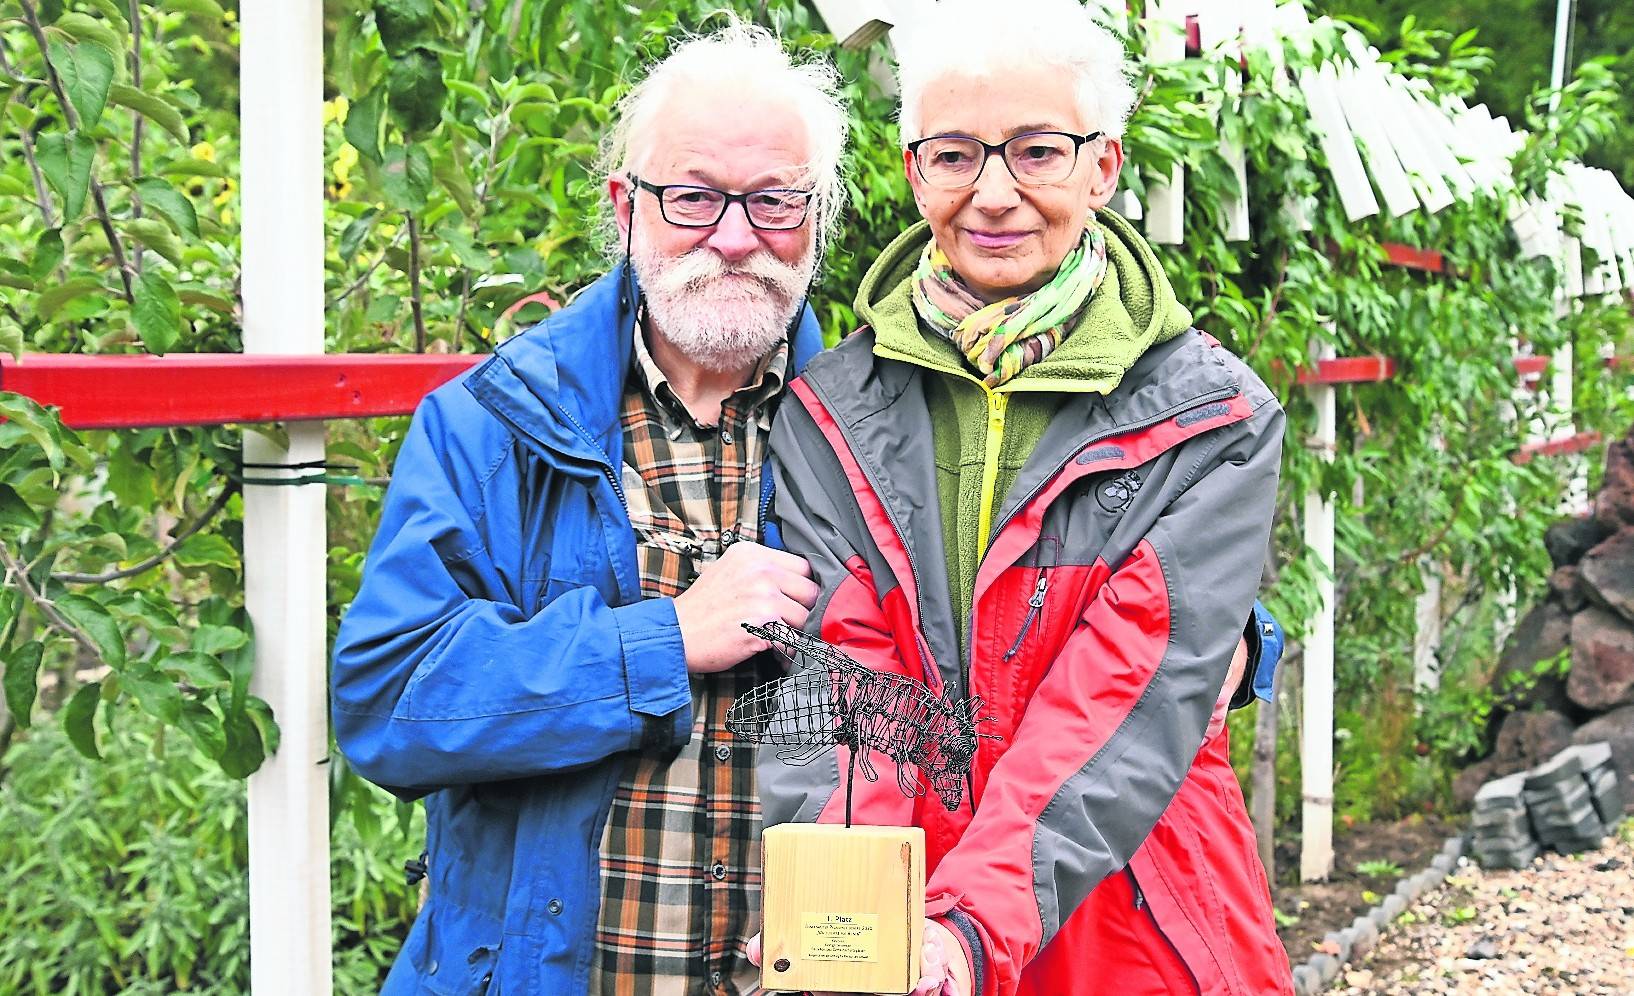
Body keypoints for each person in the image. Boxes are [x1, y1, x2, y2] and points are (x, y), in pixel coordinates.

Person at [756, 1, 1294, 993]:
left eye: (1037, 151)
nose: (992, 194)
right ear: (913, 168)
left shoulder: (1212, 419)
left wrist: (967, 923)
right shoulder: (825, 414)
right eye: (954, 155)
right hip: (915, 919)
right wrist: (845, 929)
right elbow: (842, 681)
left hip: (1134, 913)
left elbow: (1127, 696)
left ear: (1104, 167)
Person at [331, 21, 850, 995]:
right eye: (693, 198)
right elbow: (390, 701)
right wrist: (658, 644)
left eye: (774, 201)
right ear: (627, 207)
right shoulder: (494, 424)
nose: (735, 238)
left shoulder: (875, 434)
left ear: (815, 215)